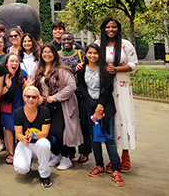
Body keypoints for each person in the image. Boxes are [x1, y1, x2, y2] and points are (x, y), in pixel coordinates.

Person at [76, 43, 123, 186]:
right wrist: (94, 106)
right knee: (95, 138)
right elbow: (82, 88)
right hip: (90, 107)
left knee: (109, 138)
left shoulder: (106, 70)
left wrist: (100, 107)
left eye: (95, 53)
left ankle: (115, 169)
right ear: (86, 54)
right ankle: (99, 165)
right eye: (89, 53)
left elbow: (107, 89)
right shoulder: (81, 69)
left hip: (106, 107)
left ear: (99, 55)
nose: (92, 56)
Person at [95, 18, 138, 173]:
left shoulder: (125, 45)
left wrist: (117, 70)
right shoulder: (98, 44)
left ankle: (125, 154)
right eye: (108, 27)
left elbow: (134, 65)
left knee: (124, 118)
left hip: (122, 87)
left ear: (118, 29)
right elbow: (91, 58)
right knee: (109, 121)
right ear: (103, 28)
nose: (111, 29)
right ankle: (114, 157)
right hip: (104, 87)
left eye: (114, 27)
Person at [35, 44, 82, 171]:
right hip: (45, 106)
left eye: (50, 52)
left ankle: (66, 158)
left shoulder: (62, 69)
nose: (47, 54)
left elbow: (71, 86)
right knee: (48, 132)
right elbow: (37, 85)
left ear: (55, 54)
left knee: (59, 132)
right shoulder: (40, 68)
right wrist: (38, 96)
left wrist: (55, 97)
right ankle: (57, 155)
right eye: (44, 52)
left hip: (61, 106)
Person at [58, 32, 89, 164]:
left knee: (82, 122)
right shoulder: (57, 56)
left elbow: (90, 68)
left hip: (79, 92)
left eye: (69, 39)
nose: (66, 41)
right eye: (64, 39)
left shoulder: (81, 54)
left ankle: (84, 151)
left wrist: (82, 67)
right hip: (64, 93)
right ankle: (70, 150)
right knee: (67, 122)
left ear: (73, 40)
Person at [13, 86, 52, 188]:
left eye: (34, 97)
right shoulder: (18, 112)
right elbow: (18, 134)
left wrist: (33, 135)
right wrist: (24, 138)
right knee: (20, 168)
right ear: (23, 97)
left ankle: (44, 174)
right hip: (25, 143)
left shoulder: (44, 111)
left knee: (44, 143)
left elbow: (45, 133)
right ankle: (27, 169)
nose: (30, 99)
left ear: (38, 98)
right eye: (28, 96)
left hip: (39, 142)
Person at [0, 53, 32, 165]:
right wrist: (7, 87)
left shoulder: (22, 73)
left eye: (17, 61)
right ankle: (11, 152)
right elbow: (0, 93)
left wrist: (27, 85)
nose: (15, 64)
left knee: (21, 128)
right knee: (8, 128)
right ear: (6, 63)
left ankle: (21, 151)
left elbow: (26, 89)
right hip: (7, 105)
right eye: (12, 61)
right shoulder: (2, 75)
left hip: (20, 104)